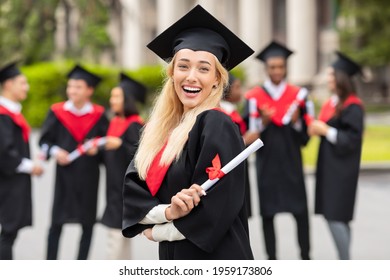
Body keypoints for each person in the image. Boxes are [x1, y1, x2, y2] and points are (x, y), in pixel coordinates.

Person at [121, 5, 254, 260]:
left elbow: (215, 211)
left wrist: (155, 232)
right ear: (172, 74)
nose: (191, 77)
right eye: (183, 66)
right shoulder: (159, 132)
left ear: (217, 79)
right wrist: (169, 212)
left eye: (204, 69)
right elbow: (133, 199)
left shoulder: (216, 124)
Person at [245, 41, 312, 260]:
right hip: (267, 165)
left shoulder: (297, 96)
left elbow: (305, 138)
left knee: (301, 212)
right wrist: (262, 123)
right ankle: (271, 260)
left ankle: (305, 256)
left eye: (280, 66)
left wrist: (296, 122)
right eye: (272, 67)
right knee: (268, 215)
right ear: (266, 68)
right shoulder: (254, 98)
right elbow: (248, 135)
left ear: (285, 68)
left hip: (292, 162)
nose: (277, 71)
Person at [39, 64, 109, 260]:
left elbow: (106, 144)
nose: (72, 91)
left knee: (87, 224)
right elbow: (44, 141)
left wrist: (98, 149)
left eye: (78, 87)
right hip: (64, 176)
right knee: (56, 223)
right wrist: (54, 151)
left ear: (89, 90)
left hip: (89, 176)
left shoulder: (99, 115)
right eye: (70, 86)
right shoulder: (57, 112)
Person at [308, 52, 364, 260]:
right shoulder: (334, 103)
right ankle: (345, 261)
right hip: (331, 169)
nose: (329, 79)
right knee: (337, 217)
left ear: (342, 79)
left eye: (332, 75)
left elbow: (351, 140)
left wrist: (325, 131)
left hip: (342, 172)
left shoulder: (353, 106)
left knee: (335, 218)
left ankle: (344, 263)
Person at [0, 62, 43, 259]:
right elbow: (4, 152)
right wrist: (30, 166)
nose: (26, 87)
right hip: (8, 182)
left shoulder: (12, 113)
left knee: (9, 233)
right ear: (8, 85)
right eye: (22, 83)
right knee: (7, 234)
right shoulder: (3, 115)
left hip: (13, 182)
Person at [100, 72, 146, 259]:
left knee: (116, 234)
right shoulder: (115, 122)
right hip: (112, 186)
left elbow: (140, 155)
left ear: (127, 100)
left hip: (124, 187)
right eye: (112, 96)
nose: (112, 100)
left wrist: (120, 145)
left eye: (116, 96)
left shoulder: (135, 125)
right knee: (120, 235)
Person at [221, 73, 256, 218]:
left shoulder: (231, 111)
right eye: (236, 87)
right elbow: (223, 144)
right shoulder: (221, 114)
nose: (240, 92)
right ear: (226, 90)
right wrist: (244, 141)